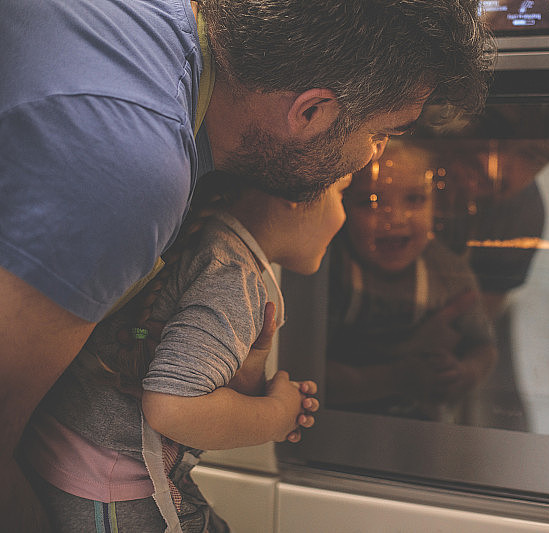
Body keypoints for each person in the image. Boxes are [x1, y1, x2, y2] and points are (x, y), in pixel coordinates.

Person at [1, 0, 493, 528]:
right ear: (312, 112)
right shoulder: (130, 171)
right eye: (384, 133)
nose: (373, 157)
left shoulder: (160, 32)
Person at [20, 170, 355, 532]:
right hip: (115, 496)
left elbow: (155, 351)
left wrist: (251, 367)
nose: (345, 214)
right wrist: (277, 415)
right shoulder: (232, 274)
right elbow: (171, 409)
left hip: (64, 465)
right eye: (343, 193)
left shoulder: (202, 237)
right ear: (298, 191)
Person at [326, 141, 497, 423]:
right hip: (338, 426)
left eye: (415, 199)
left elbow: (483, 346)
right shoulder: (336, 269)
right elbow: (311, 371)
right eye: (371, 201)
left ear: (436, 206)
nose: (395, 218)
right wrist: (396, 378)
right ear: (342, 207)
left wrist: (465, 373)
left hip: (420, 430)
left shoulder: (447, 271)